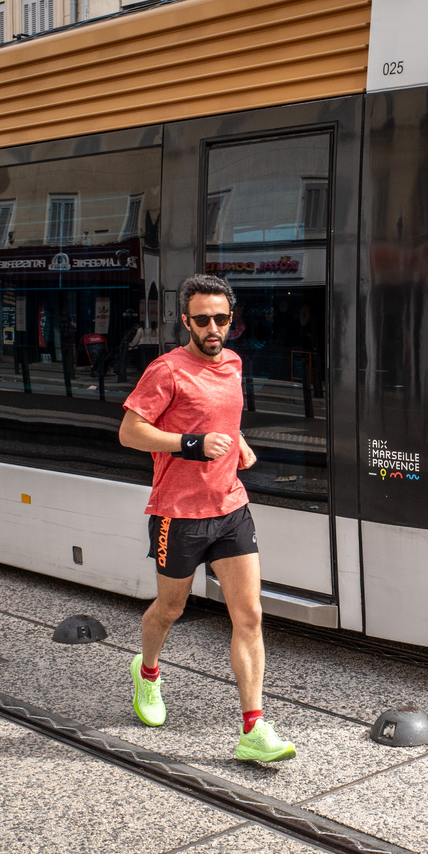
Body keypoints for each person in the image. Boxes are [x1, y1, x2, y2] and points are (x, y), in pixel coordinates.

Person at [118, 273, 296, 763]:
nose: (212, 327)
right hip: (179, 514)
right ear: (185, 321)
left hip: (230, 507)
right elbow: (130, 432)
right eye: (202, 319)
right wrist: (190, 445)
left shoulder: (235, 363)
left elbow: (220, 415)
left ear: (230, 319)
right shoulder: (167, 370)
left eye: (220, 318)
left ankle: (253, 730)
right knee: (170, 609)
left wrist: (236, 441)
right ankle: (147, 672)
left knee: (250, 615)